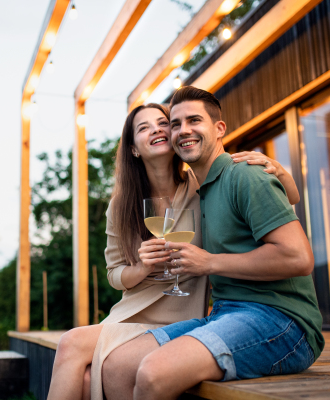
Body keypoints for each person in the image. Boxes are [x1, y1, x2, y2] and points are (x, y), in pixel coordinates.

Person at [47, 102, 300, 400]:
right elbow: (114, 275)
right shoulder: (122, 204)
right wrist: (142, 268)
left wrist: (280, 172)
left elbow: (288, 198)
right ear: (134, 149)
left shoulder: (201, 184)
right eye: (144, 128)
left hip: (184, 313)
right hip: (134, 312)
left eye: (162, 123)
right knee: (80, 361)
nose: (156, 129)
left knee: (74, 346)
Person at [101, 87, 324, 400]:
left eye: (194, 120)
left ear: (220, 128)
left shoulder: (245, 175)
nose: (182, 131)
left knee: (153, 371)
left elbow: (299, 258)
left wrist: (209, 262)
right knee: (116, 365)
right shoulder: (200, 191)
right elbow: (289, 197)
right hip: (223, 314)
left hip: (282, 320)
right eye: (175, 124)